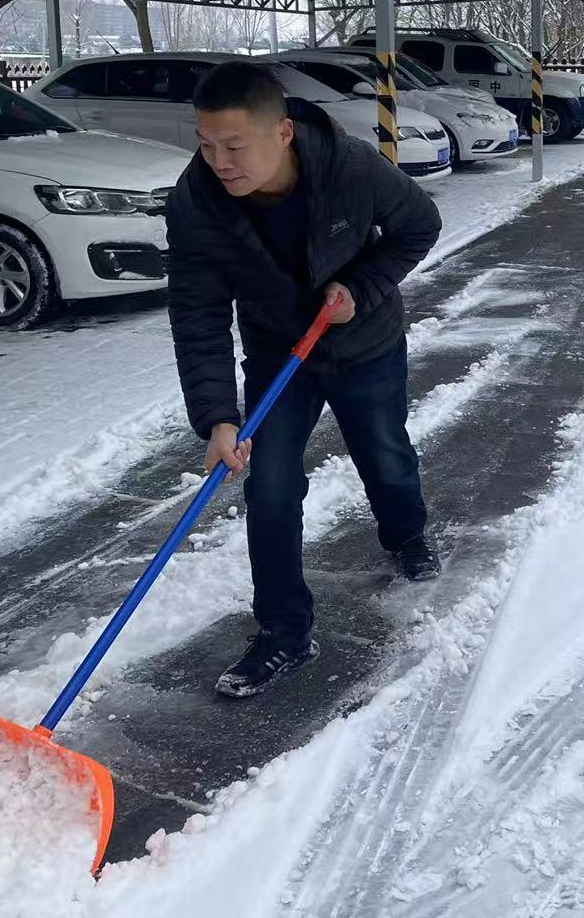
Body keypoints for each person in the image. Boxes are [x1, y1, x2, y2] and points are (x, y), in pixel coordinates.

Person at [166, 61, 443, 699]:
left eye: (234, 146)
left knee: (385, 454)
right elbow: (198, 311)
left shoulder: (348, 166)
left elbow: (417, 227)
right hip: (278, 351)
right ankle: (285, 631)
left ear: (283, 133)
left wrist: (362, 288)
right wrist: (217, 417)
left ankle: (406, 535)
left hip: (365, 340)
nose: (219, 162)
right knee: (267, 481)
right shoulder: (196, 201)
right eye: (206, 146)